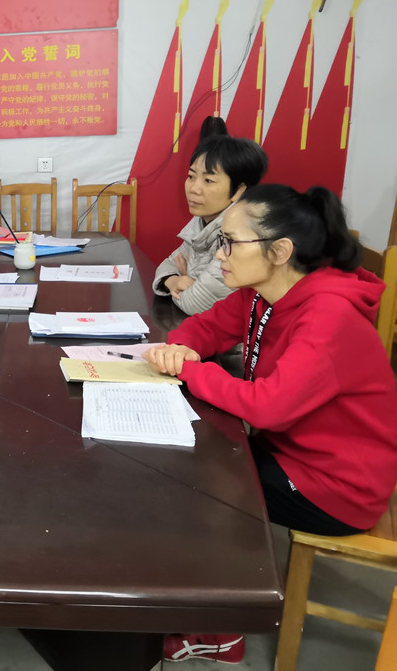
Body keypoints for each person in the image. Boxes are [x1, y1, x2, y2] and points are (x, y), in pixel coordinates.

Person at [144, 184, 397, 664]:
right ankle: (193, 593)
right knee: (192, 455)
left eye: (230, 242)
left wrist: (192, 370)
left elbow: (267, 407)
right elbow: (207, 326)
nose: (219, 254)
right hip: (290, 451)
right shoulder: (261, 293)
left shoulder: (329, 316)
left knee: (201, 481)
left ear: (280, 251)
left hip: (338, 485)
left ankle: (219, 631)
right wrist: (182, 348)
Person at [153, 120, 268, 315]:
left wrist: (187, 276)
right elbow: (167, 265)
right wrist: (173, 281)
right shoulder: (202, 222)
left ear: (239, 191)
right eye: (191, 176)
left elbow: (196, 304)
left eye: (208, 180)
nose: (194, 188)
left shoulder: (241, 236)